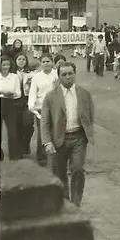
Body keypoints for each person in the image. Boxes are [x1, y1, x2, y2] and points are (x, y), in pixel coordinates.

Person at [41, 61, 95, 207]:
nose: (67, 77)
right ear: (58, 76)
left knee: (77, 169)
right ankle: (64, 203)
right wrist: (47, 142)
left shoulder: (84, 94)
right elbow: (45, 122)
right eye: (64, 74)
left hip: (78, 138)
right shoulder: (51, 96)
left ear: (75, 74)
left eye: (70, 73)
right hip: (58, 139)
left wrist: (88, 134)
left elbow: (90, 115)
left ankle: (76, 203)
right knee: (59, 173)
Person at [27, 53, 58, 167]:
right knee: (42, 132)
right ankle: (41, 157)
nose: (46, 64)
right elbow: (33, 92)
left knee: (56, 130)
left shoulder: (56, 75)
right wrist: (31, 105)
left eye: (48, 61)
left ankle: (57, 155)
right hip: (41, 107)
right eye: (44, 62)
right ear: (40, 63)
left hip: (55, 107)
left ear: (52, 63)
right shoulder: (37, 77)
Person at [0, 56, 23, 161]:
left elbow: (18, 93)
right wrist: (2, 92)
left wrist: (11, 94)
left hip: (10, 103)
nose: (6, 67)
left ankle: (14, 155)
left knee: (12, 131)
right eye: (3, 64)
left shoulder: (14, 77)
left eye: (8, 65)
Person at [14, 53, 35, 157]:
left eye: (23, 59)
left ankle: (26, 143)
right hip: (15, 101)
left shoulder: (31, 73)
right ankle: (19, 148)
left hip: (27, 100)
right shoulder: (12, 73)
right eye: (19, 59)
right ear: (15, 61)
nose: (21, 61)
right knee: (17, 125)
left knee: (28, 124)